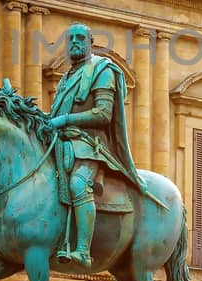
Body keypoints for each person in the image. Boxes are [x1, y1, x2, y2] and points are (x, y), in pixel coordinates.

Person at [44, 23, 154, 265]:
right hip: (62, 142)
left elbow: (103, 114)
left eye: (80, 37)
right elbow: (54, 113)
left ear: (89, 42)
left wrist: (66, 120)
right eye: (70, 37)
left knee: (78, 184)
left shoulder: (102, 70)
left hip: (89, 145)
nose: (74, 41)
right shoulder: (66, 78)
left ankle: (83, 249)